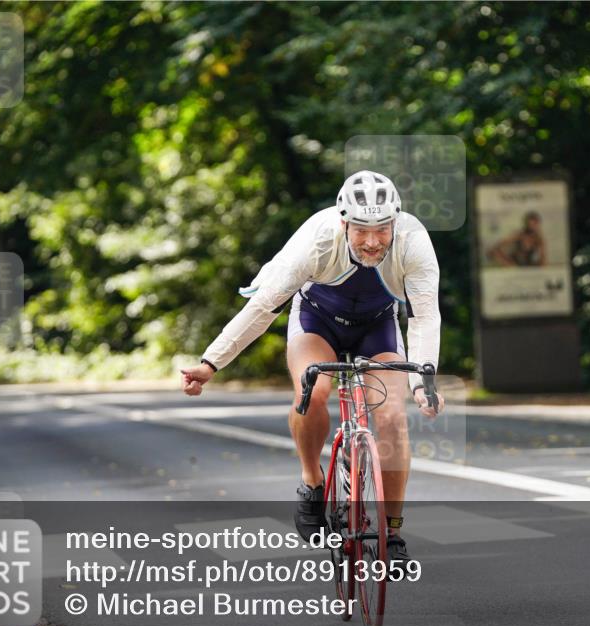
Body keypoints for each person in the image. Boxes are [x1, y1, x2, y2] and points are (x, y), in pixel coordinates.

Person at [179, 170, 444, 571]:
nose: (372, 241)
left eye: (382, 229)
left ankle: (392, 533)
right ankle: (312, 481)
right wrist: (210, 362)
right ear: (344, 222)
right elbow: (262, 309)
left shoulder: (414, 241)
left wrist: (423, 384)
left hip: (377, 326)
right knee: (312, 390)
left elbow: (424, 316)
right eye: (361, 230)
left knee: (392, 417)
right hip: (317, 320)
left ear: (395, 221)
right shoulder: (317, 240)